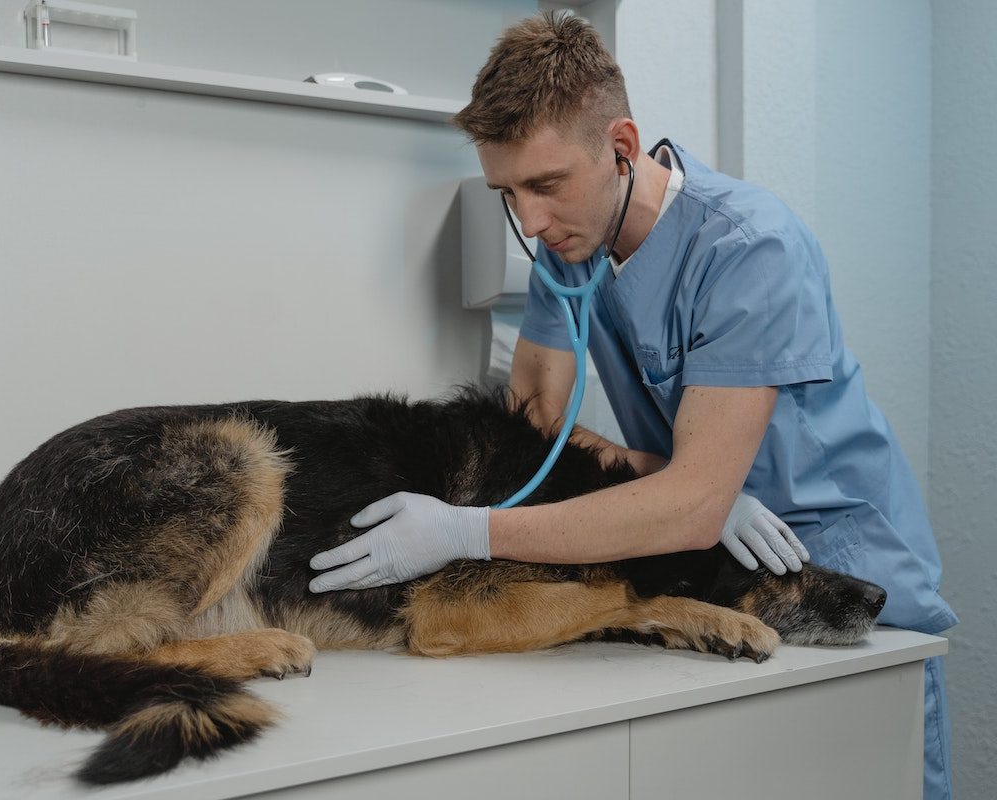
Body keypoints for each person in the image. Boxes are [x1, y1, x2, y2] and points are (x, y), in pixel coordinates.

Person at [308, 12, 956, 798]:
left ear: (621, 146)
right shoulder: (571, 249)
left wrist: (463, 531)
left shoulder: (749, 250)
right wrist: (667, 472)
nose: (531, 222)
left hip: (834, 575)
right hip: (702, 561)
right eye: (507, 193)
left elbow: (688, 510)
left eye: (546, 185)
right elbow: (537, 431)